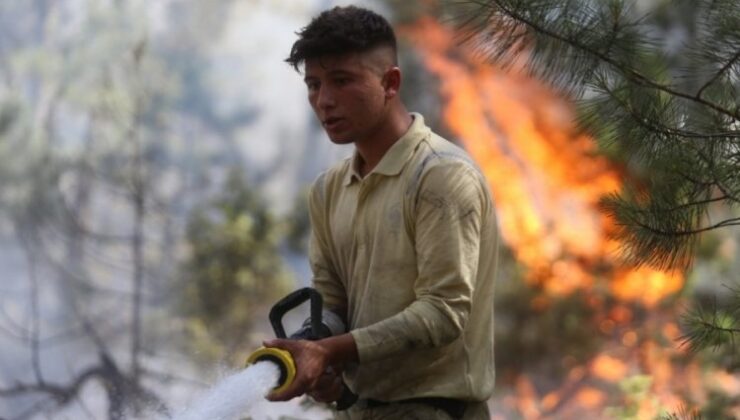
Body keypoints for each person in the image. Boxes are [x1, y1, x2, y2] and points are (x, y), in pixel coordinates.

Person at [263, 6, 499, 419]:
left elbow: (443, 313)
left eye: (342, 81)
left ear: (390, 83)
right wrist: (318, 352)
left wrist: (331, 349)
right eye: (314, 84)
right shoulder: (329, 189)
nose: (324, 101)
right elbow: (333, 303)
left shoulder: (440, 176)